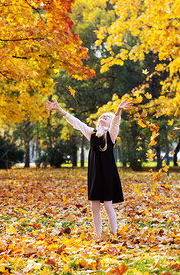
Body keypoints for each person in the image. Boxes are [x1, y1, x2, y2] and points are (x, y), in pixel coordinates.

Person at [45, 97, 133, 239]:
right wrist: (60, 110)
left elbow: (116, 123)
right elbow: (76, 123)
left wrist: (118, 112)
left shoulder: (110, 135)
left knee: (108, 205)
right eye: (103, 115)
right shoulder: (91, 133)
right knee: (94, 206)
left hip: (108, 174)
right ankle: (98, 236)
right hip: (95, 174)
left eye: (108, 117)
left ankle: (114, 234)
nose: (104, 116)